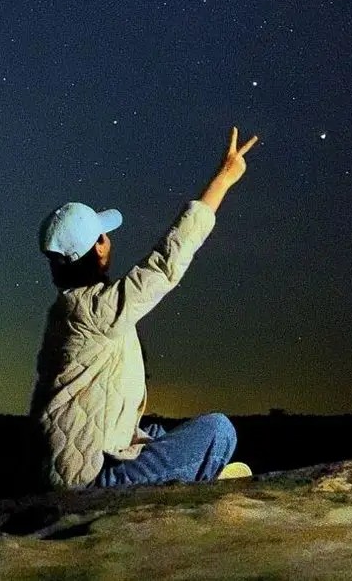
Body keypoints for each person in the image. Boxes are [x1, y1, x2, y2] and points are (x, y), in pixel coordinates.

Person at [29, 126, 259, 489]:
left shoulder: (68, 310)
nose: (109, 240)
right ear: (98, 249)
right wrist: (223, 179)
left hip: (76, 462)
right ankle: (200, 479)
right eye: (104, 236)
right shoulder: (97, 312)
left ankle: (192, 471)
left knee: (151, 431)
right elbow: (166, 263)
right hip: (91, 483)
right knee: (219, 430)